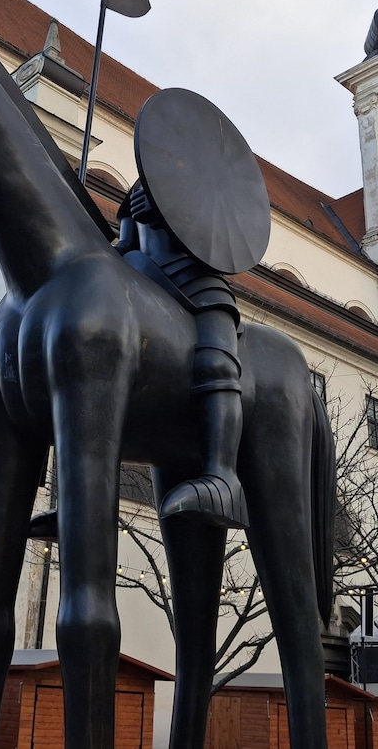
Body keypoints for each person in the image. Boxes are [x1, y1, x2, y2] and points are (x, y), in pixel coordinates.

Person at [115, 181, 247, 529]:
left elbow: (221, 238)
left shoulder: (203, 176)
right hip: (140, 279)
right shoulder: (140, 182)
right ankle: (83, 495)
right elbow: (126, 242)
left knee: (217, 362)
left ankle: (223, 477)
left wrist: (169, 211)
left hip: (196, 281)